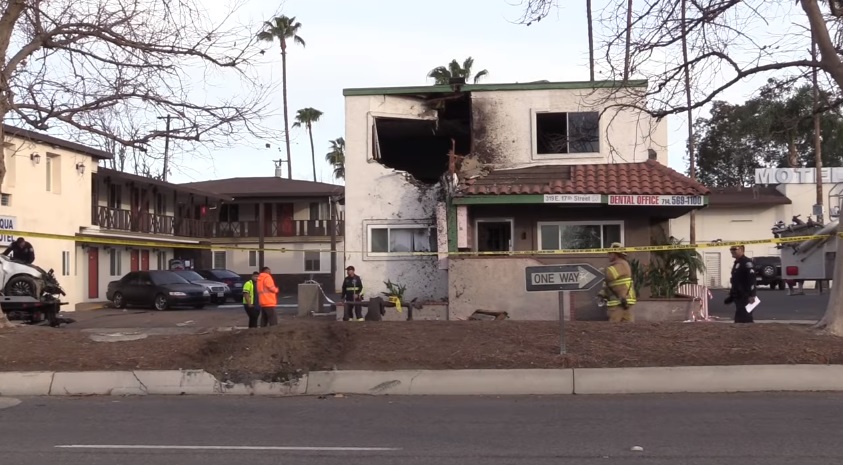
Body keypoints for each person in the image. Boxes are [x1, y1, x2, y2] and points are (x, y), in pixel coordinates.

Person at [597, 242, 637, 323]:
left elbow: (609, 275)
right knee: (626, 324)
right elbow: (609, 283)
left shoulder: (621, 264)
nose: (608, 255)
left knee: (614, 323)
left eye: (610, 253)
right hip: (622, 300)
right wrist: (602, 294)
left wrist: (599, 271)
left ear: (615, 254)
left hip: (619, 301)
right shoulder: (618, 264)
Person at [725, 245, 757, 323]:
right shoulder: (737, 263)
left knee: (745, 317)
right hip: (738, 295)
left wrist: (752, 295)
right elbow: (736, 280)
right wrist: (732, 295)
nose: (732, 251)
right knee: (739, 317)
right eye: (731, 249)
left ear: (742, 250)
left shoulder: (747, 262)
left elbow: (751, 279)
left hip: (746, 295)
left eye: (735, 249)